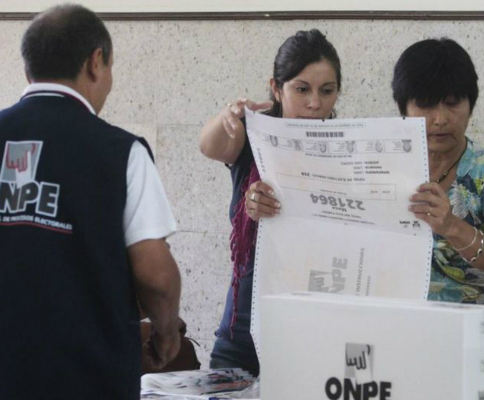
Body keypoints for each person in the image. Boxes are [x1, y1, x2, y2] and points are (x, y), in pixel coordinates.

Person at [0, 5, 182, 398]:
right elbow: (155, 275)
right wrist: (167, 334)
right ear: (96, 62)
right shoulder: (122, 153)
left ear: (29, 69)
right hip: (89, 379)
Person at [199, 29, 341, 376]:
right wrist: (229, 115)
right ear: (276, 88)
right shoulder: (254, 138)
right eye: (301, 89)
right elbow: (209, 146)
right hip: (243, 335)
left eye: (327, 91)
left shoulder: (347, 151)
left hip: (316, 335)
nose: (315, 104)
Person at [395, 38, 484, 396]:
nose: (440, 119)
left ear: (471, 106)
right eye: (425, 104)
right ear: (403, 108)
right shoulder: (384, 167)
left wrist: (451, 225)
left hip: (479, 347)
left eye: (453, 103)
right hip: (401, 338)